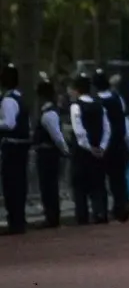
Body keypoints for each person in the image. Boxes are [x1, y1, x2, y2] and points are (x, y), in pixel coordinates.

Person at [68, 72, 110, 225]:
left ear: (76, 89)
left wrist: (88, 146)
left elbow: (79, 131)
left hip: (82, 152)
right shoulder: (99, 105)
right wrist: (102, 147)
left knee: (79, 186)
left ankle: (82, 216)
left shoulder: (75, 106)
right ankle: (101, 212)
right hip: (98, 151)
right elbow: (107, 128)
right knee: (98, 184)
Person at [93, 68, 129, 221]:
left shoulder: (94, 102)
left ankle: (101, 211)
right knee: (118, 179)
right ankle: (122, 208)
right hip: (118, 144)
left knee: (99, 180)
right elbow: (125, 123)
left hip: (101, 146)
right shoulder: (117, 99)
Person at [34, 74, 69, 228]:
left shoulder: (48, 113)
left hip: (48, 154)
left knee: (49, 186)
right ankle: (51, 215)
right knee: (48, 186)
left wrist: (65, 151)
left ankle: (52, 217)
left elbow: (57, 136)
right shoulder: (48, 111)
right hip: (47, 153)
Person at [0, 63, 30, 234]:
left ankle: (15, 221)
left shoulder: (9, 99)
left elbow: (9, 123)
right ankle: (19, 219)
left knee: (11, 184)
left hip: (12, 146)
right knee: (19, 183)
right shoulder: (20, 97)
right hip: (21, 147)